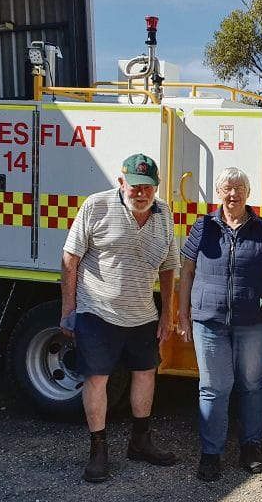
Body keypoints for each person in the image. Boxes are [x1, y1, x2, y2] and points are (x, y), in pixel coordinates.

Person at [60, 153, 179, 483]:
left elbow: (170, 266)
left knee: (146, 373)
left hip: (142, 314)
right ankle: (98, 450)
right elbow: (70, 259)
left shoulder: (163, 213)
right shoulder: (96, 206)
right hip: (97, 312)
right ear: (121, 182)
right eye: (136, 186)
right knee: (97, 379)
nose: (141, 193)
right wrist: (68, 310)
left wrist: (167, 313)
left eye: (149, 187)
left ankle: (140, 442)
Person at [176, 167, 262, 482]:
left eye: (239, 188)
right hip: (209, 322)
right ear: (219, 192)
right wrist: (183, 315)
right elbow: (186, 272)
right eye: (227, 188)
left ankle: (250, 448)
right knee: (213, 387)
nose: (233, 194)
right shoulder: (202, 227)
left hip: (253, 322)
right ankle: (211, 454)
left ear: (248, 193)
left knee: (252, 385)